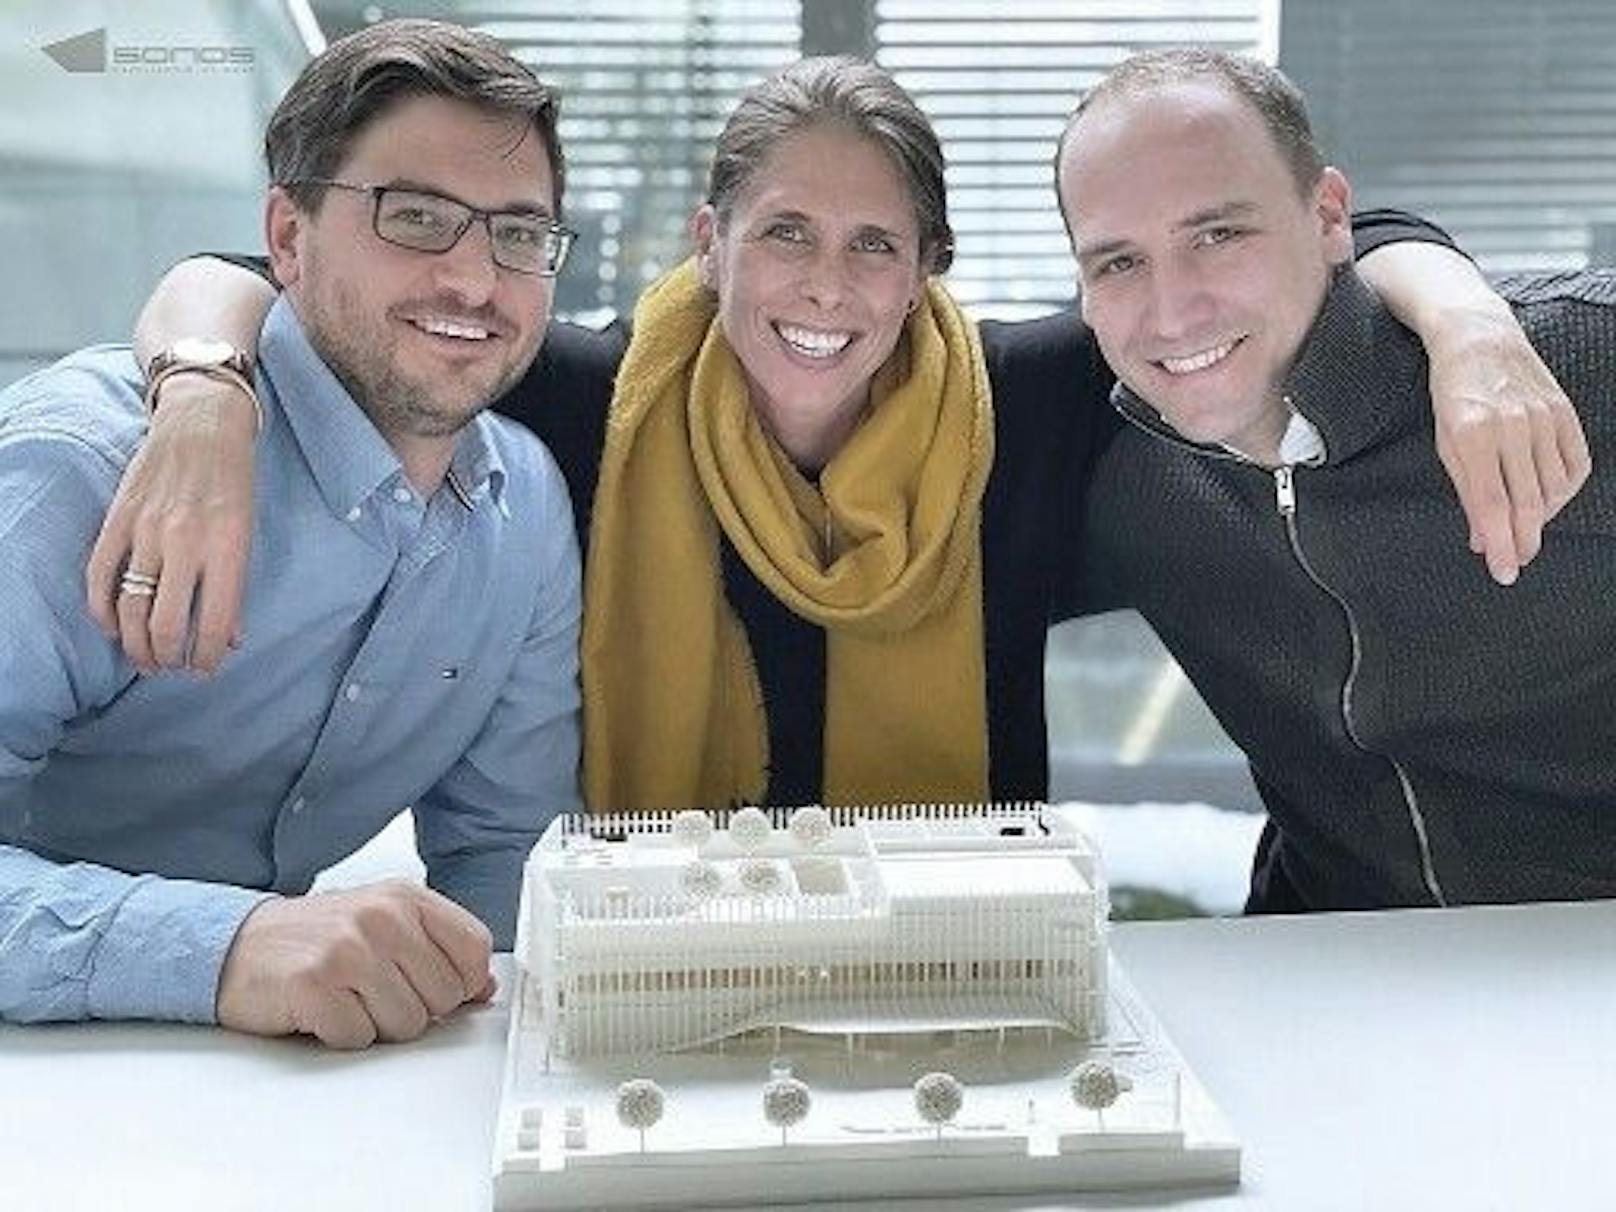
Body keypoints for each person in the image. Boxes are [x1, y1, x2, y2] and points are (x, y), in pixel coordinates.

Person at [96, 55, 1585, 812]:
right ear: (711, 242)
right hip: (654, 979)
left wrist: (1462, 324)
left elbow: (1319, 244)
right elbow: (259, 275)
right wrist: (204, 398)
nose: (826, 284)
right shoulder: (584, 399)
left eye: (878, 245)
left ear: (932, 266)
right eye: (786, 232)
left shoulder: (1036, 399)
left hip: (967, 977)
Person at [0, 20, 582, 1047]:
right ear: (285, 237)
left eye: (519, 234)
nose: (475, 282)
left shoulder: (524, 504)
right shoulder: (85, 467)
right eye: (414, 218)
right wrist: (224, 947)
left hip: (288, 1101)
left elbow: (502, 861)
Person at [1058, 48, 1614, 912]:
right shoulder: (1124, 480)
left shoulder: (1579, 367)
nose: (1172, 311)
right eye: (1118, 262)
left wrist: (1465, 316)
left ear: (1327, 217)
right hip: (1325, 972)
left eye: (1218, 234)